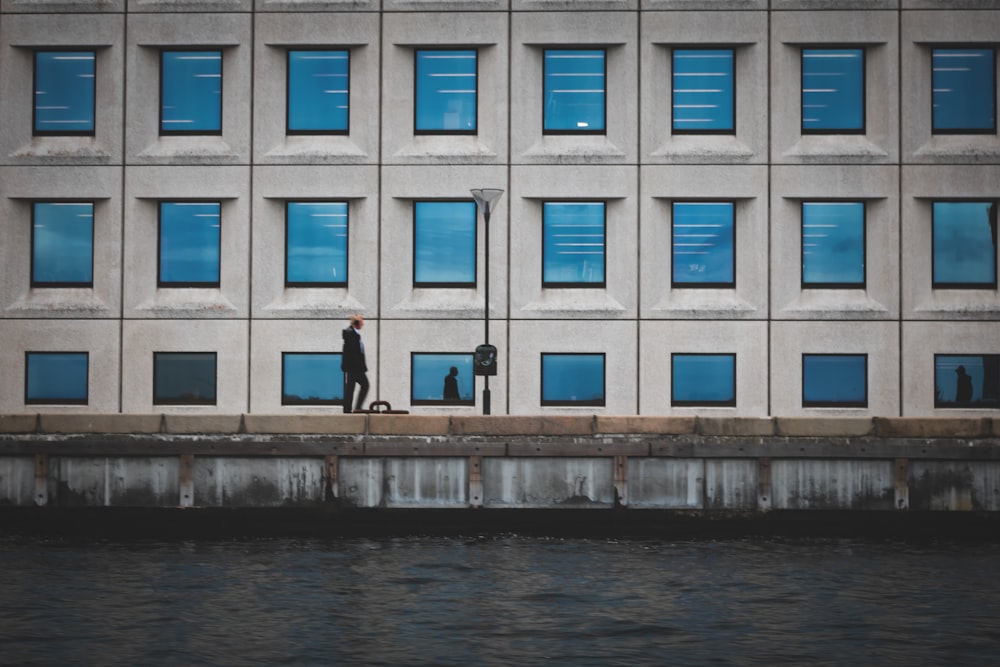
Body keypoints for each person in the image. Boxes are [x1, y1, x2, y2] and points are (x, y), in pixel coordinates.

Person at [341, 314, 369, 413]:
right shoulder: (350, 334)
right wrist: (360, 367)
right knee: (362, 385)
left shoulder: (355, 334)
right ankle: (353, 408)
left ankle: (351, 408)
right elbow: (354, 352)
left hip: (355, 367)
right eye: (361, 322)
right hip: (354, 367)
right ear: (356, 323)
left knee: (351, 387)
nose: (363, 324)